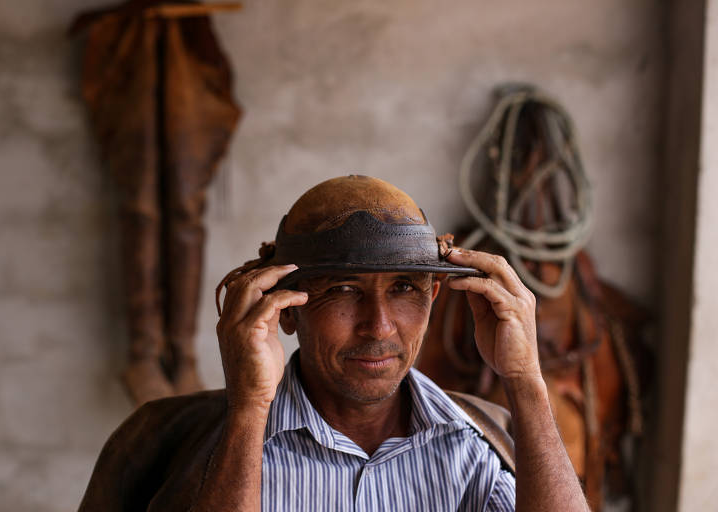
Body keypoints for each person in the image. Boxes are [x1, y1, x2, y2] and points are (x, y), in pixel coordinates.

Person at [78, 175, 589, 511]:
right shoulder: (158, 440)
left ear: (435, 297)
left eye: (405, 289)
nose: (379, 326)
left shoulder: (480, 445)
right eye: (344, 290)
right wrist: (250, 406)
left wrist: (525, 382)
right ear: (286, 308)